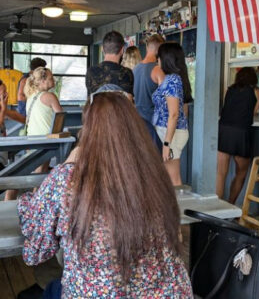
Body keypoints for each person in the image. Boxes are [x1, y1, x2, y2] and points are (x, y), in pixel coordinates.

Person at [17, 91, 192, 297]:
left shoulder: (68, 178)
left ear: (87, 131)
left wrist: (67, 164)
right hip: (169, 292)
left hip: (97, 293)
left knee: (47, 289)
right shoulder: (155, 175)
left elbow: (35, 250)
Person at [6, 67, 63, 200]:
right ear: (42, 81)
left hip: (32, 140)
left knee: (39, 172)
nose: (53, 80)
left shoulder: (31, 97)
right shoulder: (49, 96)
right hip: (46, 141)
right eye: (50, 78)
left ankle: (36, 199)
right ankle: (36, 200)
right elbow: (60, 115)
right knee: (40, 173)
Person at [216, 67, 259, 203]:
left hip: (224, 130)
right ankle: (231, 205)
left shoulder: (228, 90)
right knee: (241, 173)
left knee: (221, 173)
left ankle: (217, 208)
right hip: (241, 132)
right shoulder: (256, 92)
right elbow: (254, 111)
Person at [153, 43, 193, 186]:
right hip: (169, 133)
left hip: (171, 135)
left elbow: (174, 113)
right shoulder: (174, 78)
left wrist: (166, 143)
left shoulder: (172, 80)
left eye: (159, 56)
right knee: (169, 176)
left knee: (173, 178)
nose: (157, 60)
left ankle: (178, 208)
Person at [133, 35, 165, 150]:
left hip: (138, 121)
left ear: (147, 47)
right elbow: (165, 100)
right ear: (160, 50)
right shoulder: (158, 71)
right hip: (154, 124)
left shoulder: (135, 69)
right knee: (157, 161)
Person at [85, 30, 133, 98]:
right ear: (122, 50)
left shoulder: (91, 71)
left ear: (102, 49)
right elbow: (128, 101)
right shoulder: (126, 73)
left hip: (97, 108)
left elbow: (90, 100)